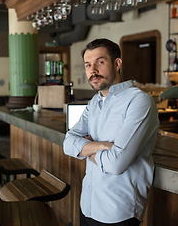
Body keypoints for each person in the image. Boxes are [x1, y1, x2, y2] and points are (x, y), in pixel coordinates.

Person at [63, 38, 159, 226]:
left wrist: (87, 150)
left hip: (117, 210)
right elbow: (67, 143)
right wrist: (101, 146)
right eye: (88, 64)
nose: (93, 70)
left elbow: (116, 164)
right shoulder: (94, 102)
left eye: (100, 62)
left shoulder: (139, 102)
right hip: (88, 204)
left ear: (117, 63)